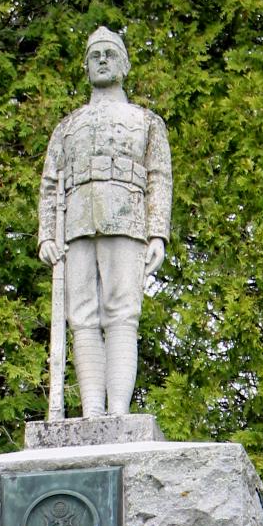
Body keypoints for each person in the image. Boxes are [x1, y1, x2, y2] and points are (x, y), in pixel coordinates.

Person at [38, 28, 172, 417]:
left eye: (109, 54)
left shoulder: (146, 122)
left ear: (125, 64)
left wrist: (157, 233)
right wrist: (47, 234)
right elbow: (50, 184)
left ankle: (118, 412)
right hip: (75, 226)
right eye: (94, 54)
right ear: (85, 66)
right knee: (81, 317)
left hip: (127, 222)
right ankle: (92, 410)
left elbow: (158, 178)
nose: (101, 60)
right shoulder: (67, 127)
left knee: (121, 314)